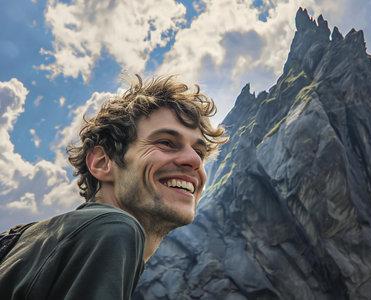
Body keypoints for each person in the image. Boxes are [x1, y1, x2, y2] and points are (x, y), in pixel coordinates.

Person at [0, 74, 227, 300]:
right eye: (166, 143)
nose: (195, 161)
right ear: (102, 163)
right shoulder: (113, 226)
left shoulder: (30, 246)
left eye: (200, 152)